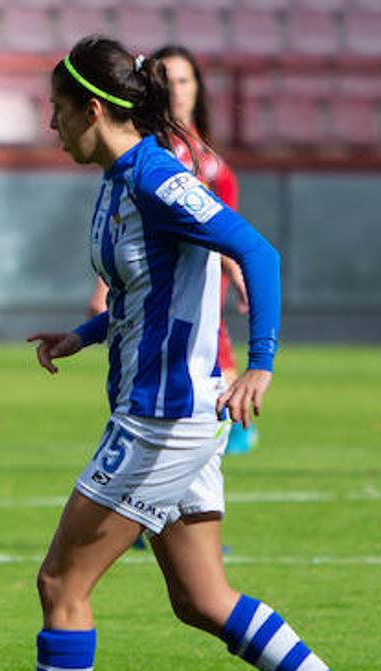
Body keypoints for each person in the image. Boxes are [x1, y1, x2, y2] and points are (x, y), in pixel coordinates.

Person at [0, 37, 381, 671]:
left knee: (61, 580)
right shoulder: (117, 178)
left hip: (163, 418)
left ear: (93, 109)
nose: (49, 126)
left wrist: (261, 361)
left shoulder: (156, 176)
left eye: (56, 111)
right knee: (201, 599)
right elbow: (139, 290)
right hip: (163, 411)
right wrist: (80, 337)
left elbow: (255, 250)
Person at [86, 44, 258, 454]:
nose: (178, 90)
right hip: (170, 303)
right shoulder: (153, 159)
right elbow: (129, 226)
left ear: (198, 89)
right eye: (171, 80)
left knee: (217, 431)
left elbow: (234, 234)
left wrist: (238, 270)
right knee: (199, 427)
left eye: (186, 80)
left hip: (201, 305)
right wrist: (103, 287)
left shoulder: (209, 162)